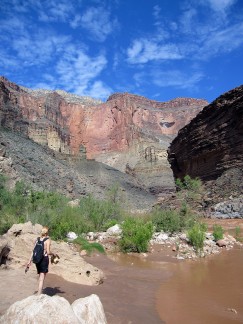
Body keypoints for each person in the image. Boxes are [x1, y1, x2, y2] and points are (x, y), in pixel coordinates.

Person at [26, 226, 54, 295]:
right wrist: (53, 253)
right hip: (44, 260)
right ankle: (39, 295)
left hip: (37, 260)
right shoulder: (47, 240)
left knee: (40, 276)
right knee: (42, 278)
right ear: (47, 232)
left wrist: (29, 261)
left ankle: (39, 292)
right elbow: (48, 252)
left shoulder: (38, 239)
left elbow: (33, 250)